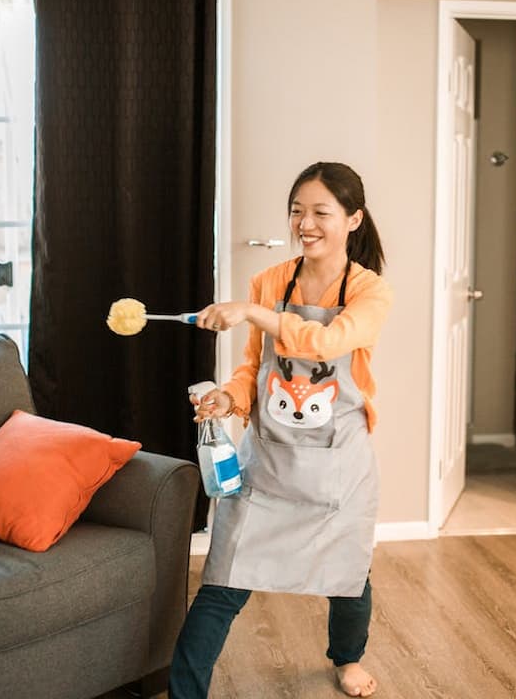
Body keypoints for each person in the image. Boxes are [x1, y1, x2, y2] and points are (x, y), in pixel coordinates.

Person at [171, 161, 392, 698]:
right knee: (222, 580)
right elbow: (256, 366)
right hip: (269, 460)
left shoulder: (370, 291)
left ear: (353, 219)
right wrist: (230, 396)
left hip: (338, 465)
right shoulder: (270, 282)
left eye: (321, 212)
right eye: (298, 211)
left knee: (348, 575)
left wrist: (250, 311)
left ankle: (347, 658)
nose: (305, 223)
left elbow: (323, 344)